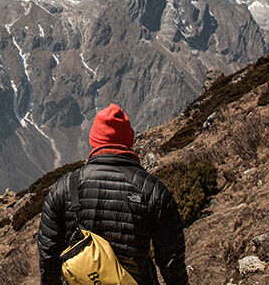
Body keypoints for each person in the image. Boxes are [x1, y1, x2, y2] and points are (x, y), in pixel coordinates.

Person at [37, 103, 189, 284]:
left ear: (94, 140)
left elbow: (48, 253)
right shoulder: (153, 190)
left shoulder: (65, 187)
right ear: (129, 141)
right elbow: (171, 261)